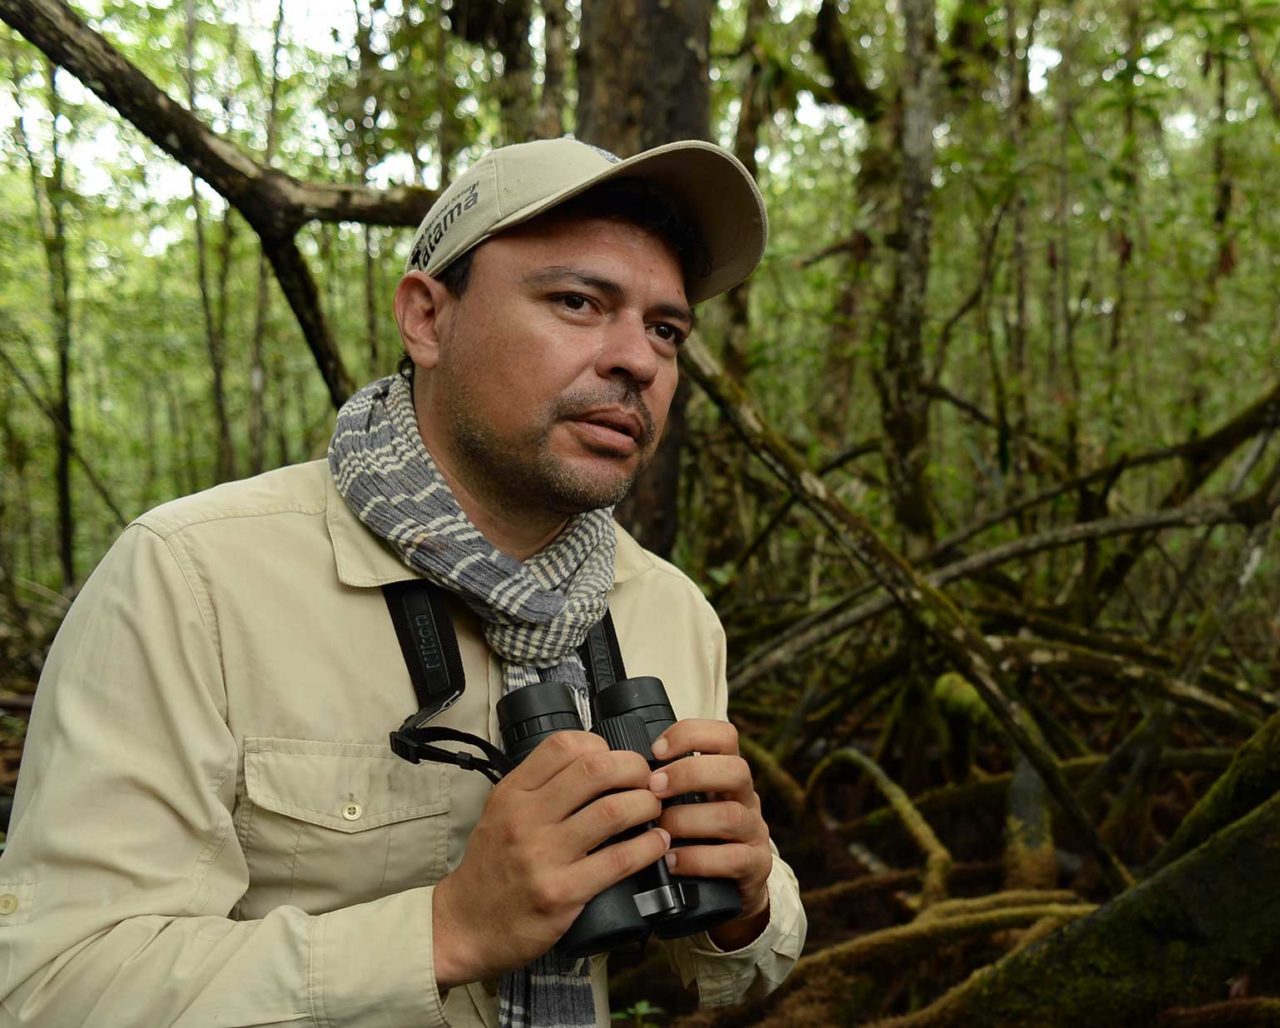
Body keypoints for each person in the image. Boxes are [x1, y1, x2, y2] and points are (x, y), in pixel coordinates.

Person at [0, 138, 805, 1027]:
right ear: (427, 318)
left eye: (665, 329)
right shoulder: (194, 579)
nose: (638, 361)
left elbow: (746, 969)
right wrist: (445, 928)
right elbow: (52, 989)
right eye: (578, 302)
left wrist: (751, 901)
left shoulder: (669, 613)